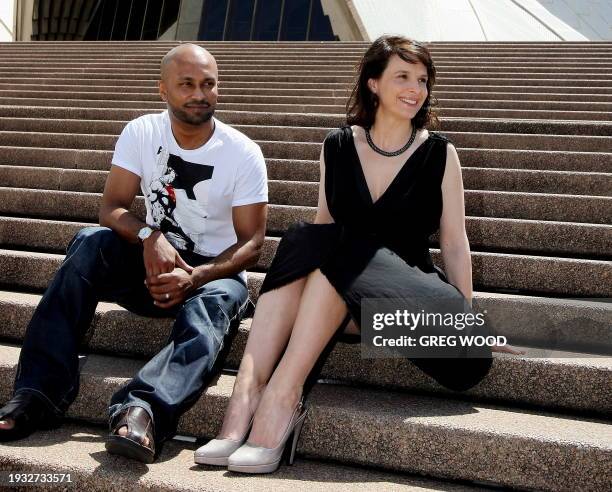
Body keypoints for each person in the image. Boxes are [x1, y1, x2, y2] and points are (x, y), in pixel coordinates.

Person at [194, 35, 524, 474]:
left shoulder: (440, 154)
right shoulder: (337, 146)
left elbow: (455, 243)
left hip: (420, 312)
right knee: (316, 240)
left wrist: (464, 319)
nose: (415, 88)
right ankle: (247, 397)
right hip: (353, 306)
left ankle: (280, 396)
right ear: (373, 83)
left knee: (312, 240)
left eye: (422, 79)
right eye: (402, 76)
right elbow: (323, 229)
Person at [0, 43, 268, 464]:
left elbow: (252, 243)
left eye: (209, 84)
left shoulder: (243, 152)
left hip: (209, 276)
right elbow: (112, 208)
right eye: (187, 84)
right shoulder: (142, 131)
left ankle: (142, 410)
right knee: (90, 242)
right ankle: (37, 393)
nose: (200, 93)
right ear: (163, 90)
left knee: (219, 301)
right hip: (149, 264)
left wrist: (195, 277)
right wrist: (148, 234)